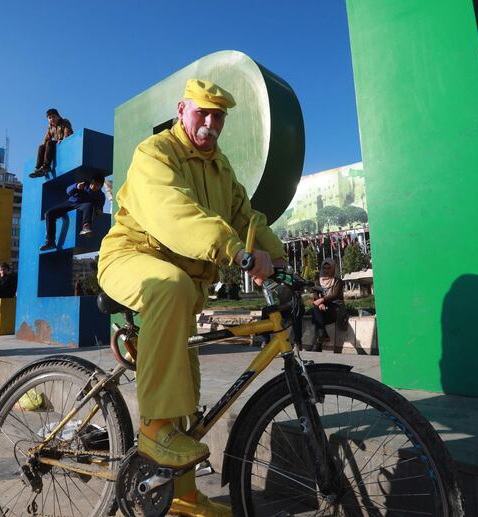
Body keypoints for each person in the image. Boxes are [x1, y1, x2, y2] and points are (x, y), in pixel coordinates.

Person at [97, 78, 286, 516]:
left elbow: (248, 219)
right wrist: (234, 251)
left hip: (179, 289)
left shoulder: (222, 170)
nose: (211, 121)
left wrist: (279, 259)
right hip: (130, 258)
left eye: (218, 115)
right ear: (182, 110)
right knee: (172, 286)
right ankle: (154, 427)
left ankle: (181, 496)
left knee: (187, 391)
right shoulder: (156, 153)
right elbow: (174, 210)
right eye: (203, 111)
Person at [40, 175, 106, 250]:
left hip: (83, 205)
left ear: (101, 186)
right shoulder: (84, 184)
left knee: (88, 205)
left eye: (97, 185)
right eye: (92, 183)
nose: (93, 186)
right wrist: (76, 186)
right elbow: (68, 191)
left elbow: (100, 207)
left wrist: (99, 210)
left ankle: (86, 227)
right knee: (49, 213)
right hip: (71, 202)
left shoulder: (101, 196)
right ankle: (50, 242)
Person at [310, 258, 344, 352]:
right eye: (324, 268)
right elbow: (315, 294)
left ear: (333, 268)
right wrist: (320, 303)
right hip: (323, 307)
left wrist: (321, 300)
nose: (326, 270)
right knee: (316, 310)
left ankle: (319, 341)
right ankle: (321, 335)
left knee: (315, 315)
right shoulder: (318, 281)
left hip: (335, 308)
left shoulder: (338, 281)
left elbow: (334, 295)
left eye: (329, 268)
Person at [28, 108, 74, 178]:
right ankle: (38, 169)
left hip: (65, 142)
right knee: (42, 146)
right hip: (57, 144)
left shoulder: (65, 122)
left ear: (58, 116)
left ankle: (46, 167)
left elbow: (67, 132)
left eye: (53, 117)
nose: (52, 119)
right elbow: (46, 138)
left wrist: (64, 141)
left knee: (50, 143)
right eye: (49, 118)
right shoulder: (50, 127)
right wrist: (43, 148)